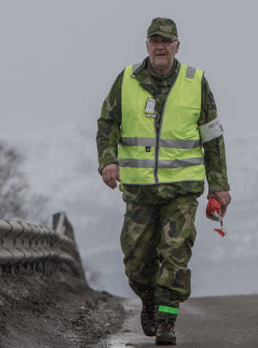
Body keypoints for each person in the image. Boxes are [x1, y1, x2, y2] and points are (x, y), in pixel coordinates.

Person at [96, 17, 231, 345]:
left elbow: (212, 137)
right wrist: (108, 161)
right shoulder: (127, 80)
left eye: (166, 41)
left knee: (175, 252)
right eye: (154, 40)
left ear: (176, 46)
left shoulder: (195, 82)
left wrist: (219, 184)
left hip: (181, 191)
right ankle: (149, 300)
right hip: (139, 190)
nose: (160, 46)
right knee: (136, 259)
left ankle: (167, 320)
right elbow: (107, 123)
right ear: (147, 45)